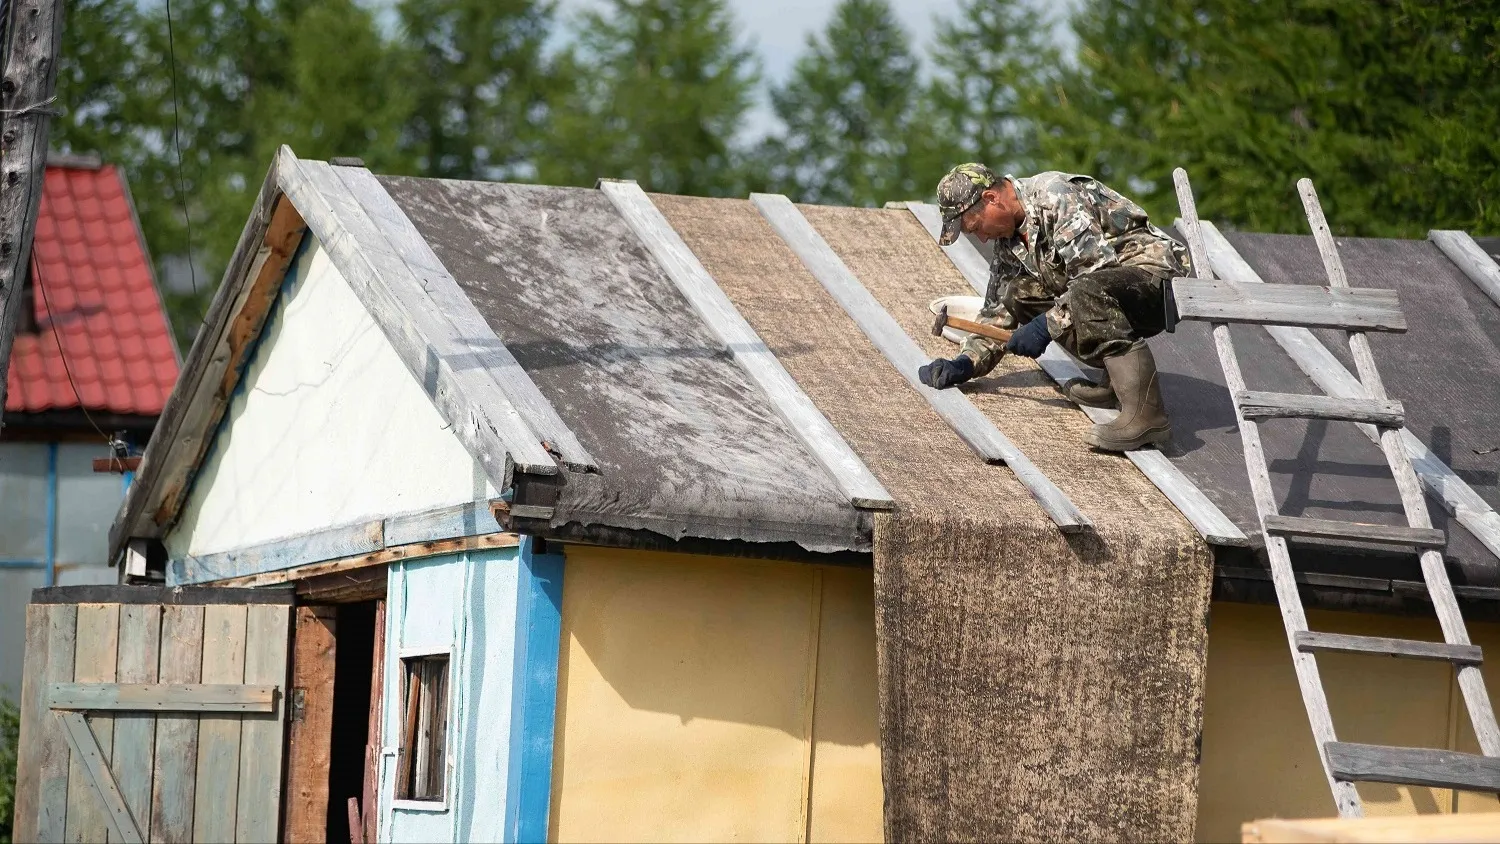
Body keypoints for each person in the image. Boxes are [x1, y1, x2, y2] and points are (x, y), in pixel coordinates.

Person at [916, 163, 1188, 452]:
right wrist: (966, 364)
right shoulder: (1008, 243)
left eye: (976, 227)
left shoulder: (1054, 196)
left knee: (1085, 292)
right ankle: (1115, 384)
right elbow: (998, 312)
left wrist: (1045, 325)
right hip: (1105, 289)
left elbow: (1095, 275)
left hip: (1155, 280)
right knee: (1018, 292)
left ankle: (1148, 416)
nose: (982, 238)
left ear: (990, 199)